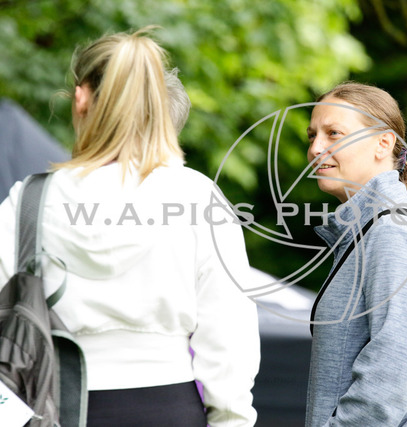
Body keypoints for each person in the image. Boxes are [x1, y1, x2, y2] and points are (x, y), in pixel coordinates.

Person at [0, 28, 260, 426]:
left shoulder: (30, 200)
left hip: (54, 409)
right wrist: (232, 419)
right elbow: (229, 334)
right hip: (171, 409)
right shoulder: (197, 196)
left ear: (80, 98)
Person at [305, 82, 407, 426]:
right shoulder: (374, 228)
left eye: (334, 133)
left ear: (383, 143)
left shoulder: (391, 232)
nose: (316, 148)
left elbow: (393, 369)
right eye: (312, 135)